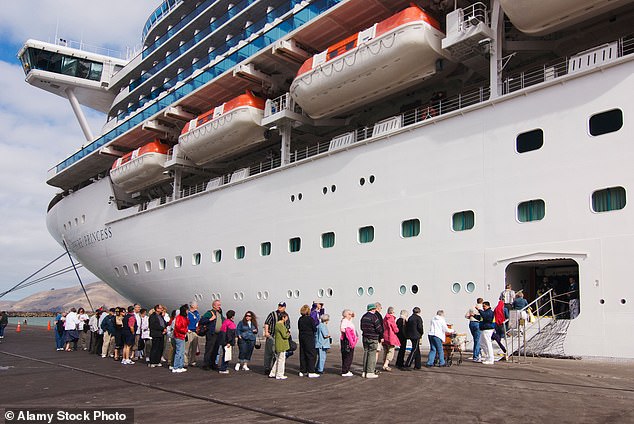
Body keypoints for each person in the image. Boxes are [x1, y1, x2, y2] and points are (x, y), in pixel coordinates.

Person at [263, 302, 289, 375]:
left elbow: (288, 325)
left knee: (277, 354)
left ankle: (275, 369)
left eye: (281, 306)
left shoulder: (286, 315)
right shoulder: (272, 314)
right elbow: (267, 323)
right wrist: (266, 332)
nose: (280, 307)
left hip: (280, 338)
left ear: (284, 307)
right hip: (272, 336)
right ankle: (267, 368)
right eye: (279, 306)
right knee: (269, 353)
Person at [360, 303, 382, 378]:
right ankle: (370, 372)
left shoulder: (364, 317)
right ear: (373, 309)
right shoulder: (374, 317)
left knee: (366, 353)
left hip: (365, 337)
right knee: (372, 354)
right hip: (373, 337)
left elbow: (361, 327)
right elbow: (379, 328)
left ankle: (364, 371)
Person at [199, 299, 223, 370]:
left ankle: (213, 364)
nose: (219, 306)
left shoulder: (219, 313)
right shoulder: (210, 313)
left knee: (215, 350)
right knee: (209, 349)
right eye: (218, 305)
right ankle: (206, 364)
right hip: (211, 334)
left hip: (218, 334)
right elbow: (202, 320)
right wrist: (210, 319)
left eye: (220, 305)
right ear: (214, 306)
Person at [298, 304, 319, 378]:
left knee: (302, 353)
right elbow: (314, 329)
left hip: (301, 336)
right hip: (309, 337)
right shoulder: (310, 319)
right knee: (311, 354)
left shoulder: (300, 319)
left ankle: (302, 370)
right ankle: (311, 371)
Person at [269, 312, 290, 380]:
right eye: (286, 318)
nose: (286, 319)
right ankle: (279, 374)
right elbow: (284, 335)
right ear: (283, 317)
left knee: (278, 359)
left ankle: (273, 373)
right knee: (281, 360)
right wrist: (288, 334)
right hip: (281, 344)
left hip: (279, 344)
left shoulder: (278, 324)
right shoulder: (280, 325)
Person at [218, 310, 236, 374]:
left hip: (223, 341)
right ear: (232, 316)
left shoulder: (225, 322)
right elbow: (230, 334)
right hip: (227, 342)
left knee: (224, 355)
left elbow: (223, 333)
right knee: (226, 356)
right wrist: (229, 342)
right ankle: (223, 368)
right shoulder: (230, 323)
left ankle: (223, 368)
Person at [381, 307, 400, 371]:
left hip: (385, 335)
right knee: (391, 351)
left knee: (385, 351)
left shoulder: (385, 318)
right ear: (392, 312)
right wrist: (397, 330)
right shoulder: (391, 318)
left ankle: (385, 364)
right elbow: (395, 328)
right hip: (390, 336)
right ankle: (386, 364)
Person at [340, 309, 357, 377]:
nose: (350, 316)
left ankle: (346, 369)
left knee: (348, 355)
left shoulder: (348, 320)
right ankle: (345, 371)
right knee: (348, 355)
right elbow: (342, 328)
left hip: (349, 339)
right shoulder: (344, 321)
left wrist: (352, 315)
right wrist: (349, 332)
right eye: (349, 314)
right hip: (347, 340)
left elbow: (351, 319)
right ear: (346, 315)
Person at [172, 304, 189, 373]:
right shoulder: (179, 318)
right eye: (187, 310)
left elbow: (187, 323)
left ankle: (180, 366)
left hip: (182, 336)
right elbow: (178, 327)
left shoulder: (184, 317)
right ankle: (175, 367)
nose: (188, 311)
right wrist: (185, 331)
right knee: (179, 352)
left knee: (181, 352)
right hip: (179, 336)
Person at [465, 298, 483, 362]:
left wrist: (470, 316)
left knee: (475, 339)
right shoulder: (482, 307)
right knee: (477, 340)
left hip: (471, 323)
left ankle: (478, 353)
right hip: (478, 323)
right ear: (482, 302)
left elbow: (466, 316)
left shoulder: (472, 307)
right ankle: (476, 356)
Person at [185, 301, 200, 367]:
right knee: (187, 348)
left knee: (194, 348)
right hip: (189, 331)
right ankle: (185, 362)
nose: (197, 306)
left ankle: (192, 361)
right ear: (192, 306)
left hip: (195, 332)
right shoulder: (187, 313)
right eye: (196, 305)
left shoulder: (197, 313)